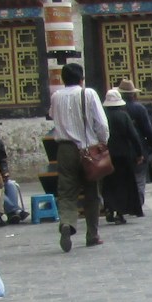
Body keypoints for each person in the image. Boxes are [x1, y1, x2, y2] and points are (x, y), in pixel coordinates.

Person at [47, 61, 108, 251]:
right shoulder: (88, 93)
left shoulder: (56, 96)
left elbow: (51, 115)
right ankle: (92, 234)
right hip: (88, 148)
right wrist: (103, 141)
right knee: (91, 192)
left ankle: (67, 222)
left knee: (66, 191)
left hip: (65, 149)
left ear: (63, 79)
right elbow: (101, 123)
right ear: (82, 79)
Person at [100, 88, 145, 225]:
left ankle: (109, 207)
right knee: (123, 185)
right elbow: (133, 136)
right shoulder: (123, 116)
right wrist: (139, 153)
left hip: (107, 155)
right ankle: (120, 212)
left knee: (109, 183)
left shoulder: (102, 116)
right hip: (124, 156)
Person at [118, 80, 152, 205]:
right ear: (133, 94)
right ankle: (138, 203)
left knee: (123, 178)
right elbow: (148, 131)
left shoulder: (115, 109)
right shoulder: (139, 108)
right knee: (139, 178)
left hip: (119, 149)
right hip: (138, 148)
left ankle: (125, 204)